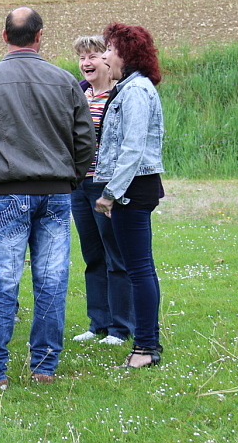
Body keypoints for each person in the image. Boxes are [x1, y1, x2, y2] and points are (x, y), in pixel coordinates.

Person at [0, 7, 95, 388]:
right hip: (56, 193)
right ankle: (44, 367)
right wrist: (70, 179)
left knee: (1, 282)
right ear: (40, 36)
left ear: (4, 36)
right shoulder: (66, 81)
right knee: (51, 281)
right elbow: (85, 142)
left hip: (6, 193)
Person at [94, 22, 165, 369]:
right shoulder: (132, 87)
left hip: (133, 188)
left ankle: (145, 348)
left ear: (126, 53)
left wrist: (110, 193)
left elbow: (133, 148)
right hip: (133, 187)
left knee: (138, 270)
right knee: (142, 268)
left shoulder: (135, 91)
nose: (104, 56)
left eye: (109, 49)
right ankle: (149, 343)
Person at [70, 36, 134, 346]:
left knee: (115, 256)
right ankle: (98, 323)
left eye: (93, 56)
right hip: (79, 185)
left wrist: (113, 189)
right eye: (82, 57)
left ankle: (121, 327)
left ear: (106, 61)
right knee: (92, 255)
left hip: (105, 184)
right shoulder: (78, 94)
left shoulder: (121, 95)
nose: (87, 62)